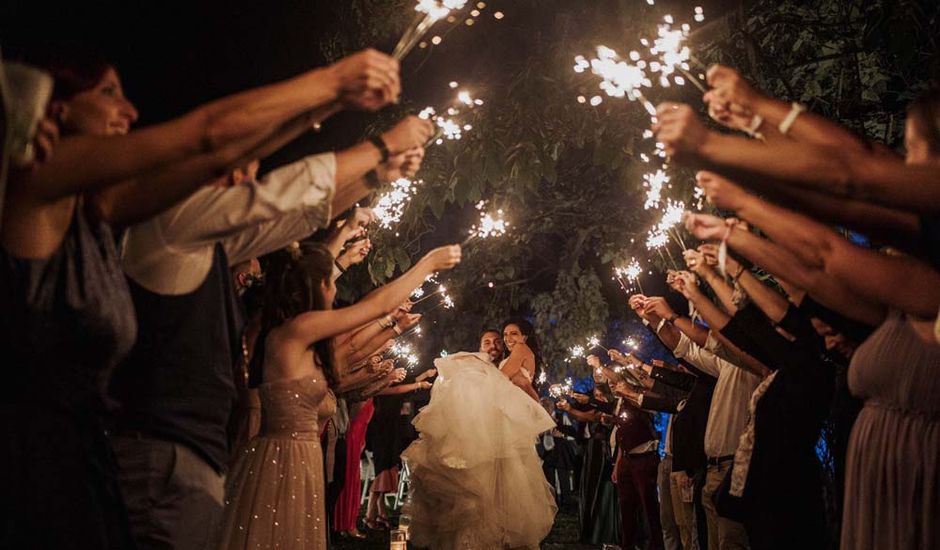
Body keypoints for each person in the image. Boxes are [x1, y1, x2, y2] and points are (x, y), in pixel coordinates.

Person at [218, 241, 460, 549]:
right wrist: (427, 264)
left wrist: (391, 327)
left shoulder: (289, 333)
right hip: (284, 455)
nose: (334, 292)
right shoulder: (297, 329)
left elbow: (352, 348)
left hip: (294, 455)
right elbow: (372, 308)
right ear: (317, 286)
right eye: (330, 282)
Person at [401, 318, 557, 549]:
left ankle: (488, 533)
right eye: (506, 335)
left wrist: (474, 365)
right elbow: (521, 386)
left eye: (513, 334)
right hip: (501, 426)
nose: (507, 339)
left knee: (495, 478)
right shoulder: (508, 357)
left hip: (502, 428)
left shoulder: (520, 351)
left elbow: (502, 381)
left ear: (525, 337)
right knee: (494, 480)